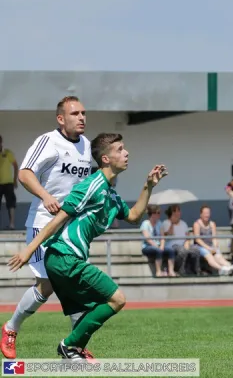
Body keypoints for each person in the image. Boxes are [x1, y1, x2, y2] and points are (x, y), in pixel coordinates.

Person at [7, 133, 167, 360]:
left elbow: (132, 215)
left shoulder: (110, 193)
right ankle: (68, 346)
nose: (126, 152)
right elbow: (58, 220)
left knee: (81, 310)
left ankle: (73, 352)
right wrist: (30, 249)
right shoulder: (91, 185)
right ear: (106, 159)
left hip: (68, 259)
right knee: (117, 299)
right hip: (64, 257)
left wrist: (148, 186)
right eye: (120, 149)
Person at [1, 96, 92, 359]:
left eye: (84, 113)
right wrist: (45, 196)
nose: (82, 117)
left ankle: (75, 346)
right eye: (75, 113)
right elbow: (25, 173)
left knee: (71, 282)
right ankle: (10, 327)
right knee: (49, 283)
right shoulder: (48, 141)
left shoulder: (86, 146)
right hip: (43, 224)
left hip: (72, 228)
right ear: (61, 119)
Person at [192, 205, 233, 275]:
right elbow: (197, 239)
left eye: (208, 213)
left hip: (210, 245)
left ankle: (228, 265)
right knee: (208, 255)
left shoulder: (212, 224)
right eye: (205, 213)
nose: (207, 215)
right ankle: (221, 269)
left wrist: (215, 247)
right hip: (200, 246)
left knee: (218, 255)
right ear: (201, 214)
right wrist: (208, 248)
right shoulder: (197, 224)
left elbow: (214, 238)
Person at [0, 135, 18, 230]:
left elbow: (15, 166)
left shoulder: (8, 153)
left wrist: (15, 180)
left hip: (8, 183)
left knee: (11, 204)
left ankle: (11, 224)